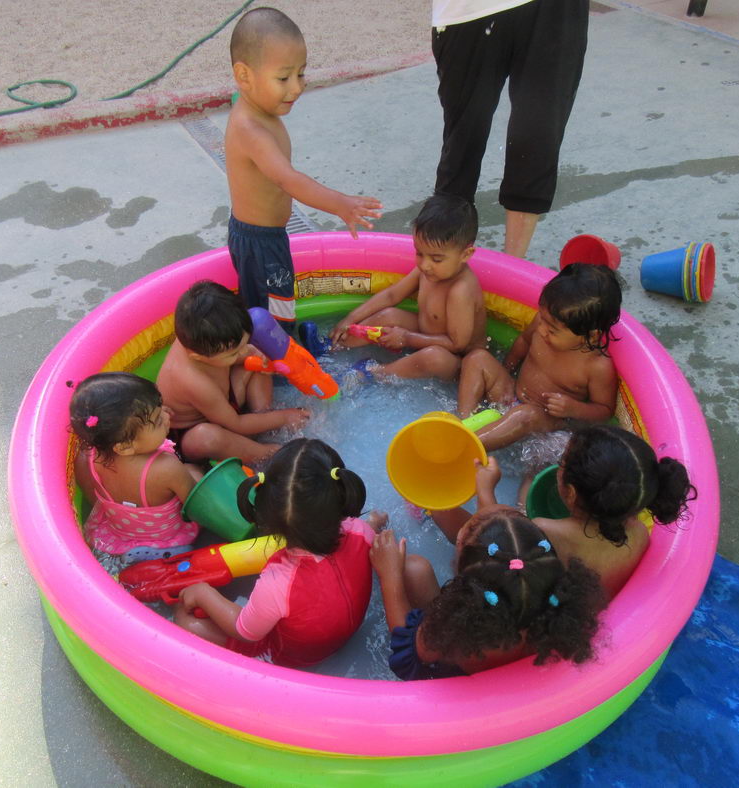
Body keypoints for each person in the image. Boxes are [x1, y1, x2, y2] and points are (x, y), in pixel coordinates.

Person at [225, 7, 383, 332]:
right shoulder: (249, 129)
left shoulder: (263, 116)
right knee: (270, 318)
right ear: (244, 76)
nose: (296, 87)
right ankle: (275, 367)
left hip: (267, 238)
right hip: (260, 243)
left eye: (301, 73)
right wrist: (340, 204)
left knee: (275, 306)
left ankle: (283, 349)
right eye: (283, 77)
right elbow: (288, 179)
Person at [174, 438, 384, 668]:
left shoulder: (279, 581)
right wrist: (376, 520)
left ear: (267, 514)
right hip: (351, 631)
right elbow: (362, 530)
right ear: (342, 495)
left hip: (291, 658)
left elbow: (245, 631)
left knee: (187, 623)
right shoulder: (362, 531)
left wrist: (202, 593)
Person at [370, 505, 605, 680]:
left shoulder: (459, 630)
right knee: (417, 570)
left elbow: (406, 648)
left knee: (414, 570)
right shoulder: (556, 604)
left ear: (460, 569)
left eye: (463, 539)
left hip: (451, 683)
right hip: (510, 675)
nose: (461, 534)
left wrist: (388, 575)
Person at [431, 0, 589, 259]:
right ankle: (441, 262)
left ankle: (512, 268)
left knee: (537, 139)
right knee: (461, 143)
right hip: (470, 10)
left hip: (555, 10)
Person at [459, 263, 621, 452]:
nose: (542, 329)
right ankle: (464, 421)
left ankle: (464, 447)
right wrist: (506, 370)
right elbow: (523, 342)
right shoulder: (543, 323)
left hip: (546, 422)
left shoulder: (596, 366)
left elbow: (605, 410)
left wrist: (574, 408)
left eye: (552, 330)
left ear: (591, 336)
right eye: (542, 319)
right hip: (513, 395)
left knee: (524, 416)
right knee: (477, 358)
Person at [327, 194, 489, 381]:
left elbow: (457, 344)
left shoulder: (460, 290)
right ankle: (335, 346)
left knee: (433, 357)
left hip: (457, 364)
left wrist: (407, 337)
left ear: (466, 254)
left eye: (436, 259)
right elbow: (391, 295)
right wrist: (351, 318)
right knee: (389, 315)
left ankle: (374, 372)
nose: (425, 264)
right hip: (425, 335)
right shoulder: (429, 271)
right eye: (419, 254)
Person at [532, 424, 697, 597]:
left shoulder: (545, 530)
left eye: (561, 463)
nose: (558, 467)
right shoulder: (640, 534)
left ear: (571, 494)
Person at [156, 280, 309, 466]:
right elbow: (235, 423)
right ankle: (268, 453)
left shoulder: (205, 340)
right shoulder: (193, 380)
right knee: (205, 437)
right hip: (195, 430)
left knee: (260, 361)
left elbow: (242, 354)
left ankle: (263, 418)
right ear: (198, 357)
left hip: (224, 403)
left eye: (244, 344)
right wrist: (285, 417)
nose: (244, 351)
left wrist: (257, 354)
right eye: (234, 353)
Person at [70, 372, 203, 574]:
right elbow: (197, 508)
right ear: (124, 447)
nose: (167, 416)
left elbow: (93, 497)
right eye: (158, 420)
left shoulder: (86, 457)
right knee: (194, 471)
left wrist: (152, 414)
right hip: (169, 541)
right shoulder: (166, 467)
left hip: (117, 538)